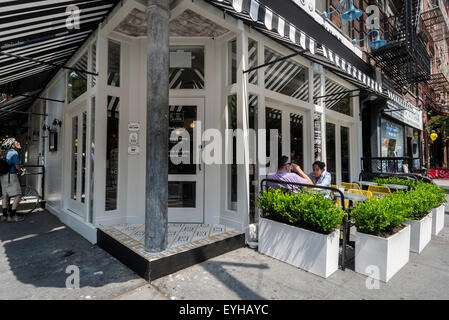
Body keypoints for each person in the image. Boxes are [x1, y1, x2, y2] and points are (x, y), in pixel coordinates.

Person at [0, 138, 24, 222]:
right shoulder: (14, 153)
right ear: (12, 145)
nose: (18, 143)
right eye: (16, 142)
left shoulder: (3, 152)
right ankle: (12, 216)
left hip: (2, 176)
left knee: (5, 195)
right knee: (18, 195)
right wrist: (22, 170)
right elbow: (17, 166)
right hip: (11, 176)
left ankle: (4, 216)